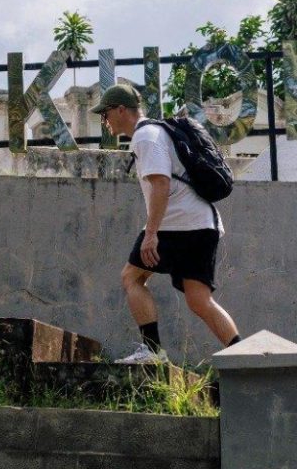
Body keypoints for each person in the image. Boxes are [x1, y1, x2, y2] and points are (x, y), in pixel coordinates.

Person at [92, 83, 242, 362]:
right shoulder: (156, 132)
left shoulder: (146, 137)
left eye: (106, 113)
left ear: (121, 109)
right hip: (200, 224)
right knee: (199, 300)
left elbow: (161, 184)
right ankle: (246, 356)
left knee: (131, 277)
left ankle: (152, 351)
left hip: (176, 225)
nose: (105, 120)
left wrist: (151, 234)